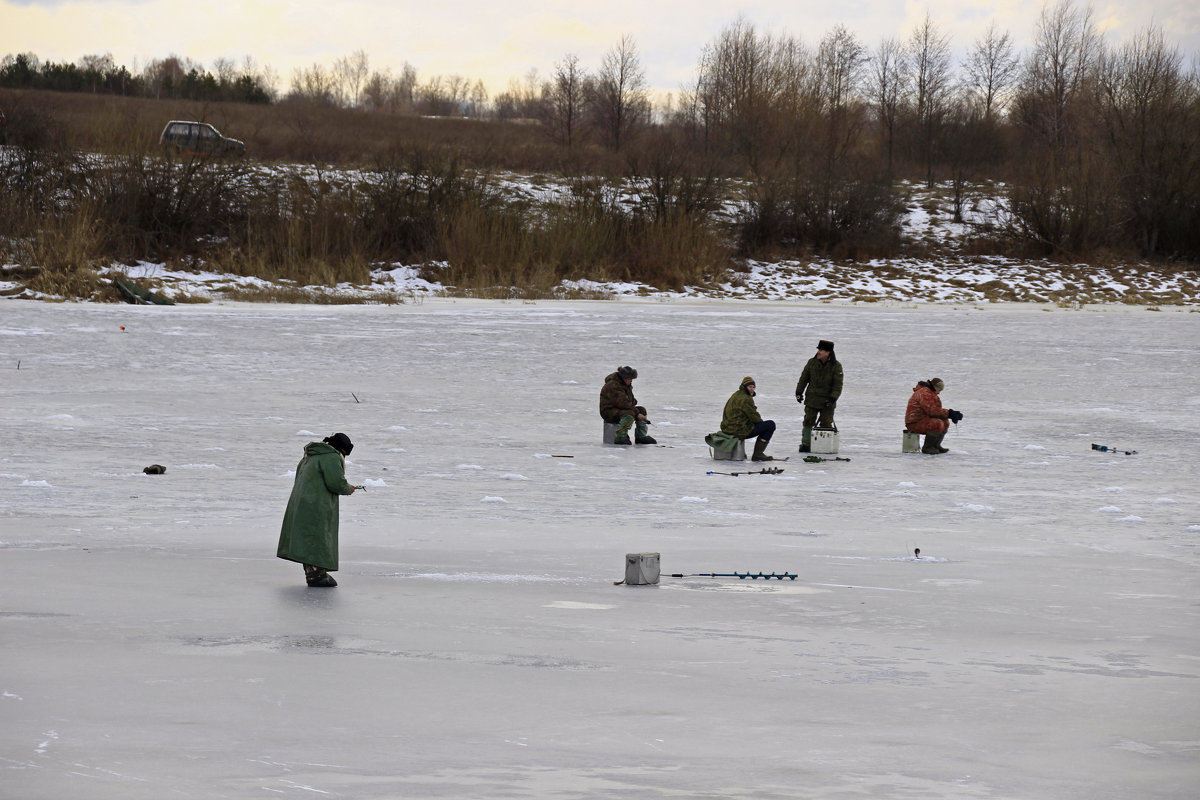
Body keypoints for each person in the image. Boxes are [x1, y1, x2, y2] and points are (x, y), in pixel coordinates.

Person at [277, 432, 358, 587]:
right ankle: (316, 574)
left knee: (308, 537)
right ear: (342, 448)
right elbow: (336, 483)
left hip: (300, 502)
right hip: (317, 504)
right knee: (318, 537)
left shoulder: (309, 455)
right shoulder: (331, 457)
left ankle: (312, 572)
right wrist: (348, 488)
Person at [794, 339, 843, 453]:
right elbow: (804, 378)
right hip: (812, 399)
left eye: (821, 350)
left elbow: (838, 386)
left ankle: (823, 446)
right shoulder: (811, 362)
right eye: (818, 350)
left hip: (827, 401)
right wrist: (798, 392)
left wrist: (832, 399)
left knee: (826, 423)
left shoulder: (836, 366)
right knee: (808, 421)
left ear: (828, 352)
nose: (819, 352)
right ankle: (806, 444)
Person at [721, 376, 777, 461]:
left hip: (727, 428)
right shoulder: (746, 399)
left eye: (753, 387)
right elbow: (754, 417)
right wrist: (761, 425)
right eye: (750, 387)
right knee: (770, 425)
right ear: (744, 386)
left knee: (753, 424)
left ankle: (742, 452)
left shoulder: (735, 395)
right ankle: (758, 455)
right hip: (738, 430)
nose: (752, 389)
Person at [905, 378, 964, 454]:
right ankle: (928, 448)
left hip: (923, 420)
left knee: (945, 422)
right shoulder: (925, 393)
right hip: (914, 422)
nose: (939, 392)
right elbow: (932, 411)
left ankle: (936, 445)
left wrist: (950, 414)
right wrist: (950, 413)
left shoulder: (930, 393)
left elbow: (935, 410)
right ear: (935, 386)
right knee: (937, 423)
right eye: (939, 389)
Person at [599, 366, 656, 445]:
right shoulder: (613, 385)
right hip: (609, 411)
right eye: (630, 379)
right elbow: (623, 403)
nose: (631, 381)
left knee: (641, 410)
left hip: (620, 409)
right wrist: (637, 413)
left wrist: (637, 410)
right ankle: (620, 437)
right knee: (629, 413)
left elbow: (630, 401)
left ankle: (641, 436)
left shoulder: (624, 384)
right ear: (624, 378)